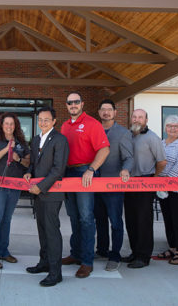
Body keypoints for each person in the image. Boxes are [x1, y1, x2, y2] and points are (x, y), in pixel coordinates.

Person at [60, 92, 110, 279]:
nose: (73, 105)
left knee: (86, 218)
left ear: (82, 103)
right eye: (70, 103)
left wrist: (91, 169)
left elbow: (104, 149)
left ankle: (87, 261)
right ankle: (76, 254)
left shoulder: (92, 124)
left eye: (76, 102)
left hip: (84, 173)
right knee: (73, 217)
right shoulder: (64, 126)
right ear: (67, 106)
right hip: (68, 174)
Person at [24, 106, 69, 287]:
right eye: (40, 119)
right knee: (42, 230)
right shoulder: (35, 140)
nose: (42, 122)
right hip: (38, 193)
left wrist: (41, 187)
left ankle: (55, 272)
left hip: (52, 193)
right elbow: (34, 163)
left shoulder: (60, 140)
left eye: (46, 120)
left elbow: (58, 169)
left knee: (51, 232)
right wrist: (28, 172)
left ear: (54, 121)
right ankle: (43, 263)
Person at [0, 112, 31, 269]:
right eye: (6, 124)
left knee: (7, 219)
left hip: (14, 185)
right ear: (1, 125)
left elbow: (27, 162)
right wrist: (7, 149)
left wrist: (19, 158)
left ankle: (3, 251)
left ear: (15, 125)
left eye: (12, 124)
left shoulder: (22, 142)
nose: (9, 126)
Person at [122, 108, 166, 269]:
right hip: (128, 182)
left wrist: (154, 179)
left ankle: (143, 256)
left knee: (143, 221)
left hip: (145, 181)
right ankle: (135, 252)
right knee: (131, 220)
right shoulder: (127, 136)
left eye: (140, 117)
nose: (137, 119)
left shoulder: (152, 138)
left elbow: (162, 162)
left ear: (146, 120)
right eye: (134, 116)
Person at [94, 99, 133, 271]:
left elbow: (129, 157)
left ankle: (114, 255)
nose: (106, 113)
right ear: (99, 112)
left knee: (115, 221)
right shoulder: (93, 130)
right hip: (94, 183)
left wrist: (125, 170)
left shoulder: (123, 133)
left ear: (115, 112)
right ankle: (101, 250)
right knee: (99, 220)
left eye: (109, 110)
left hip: (113, 185)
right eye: (103, 110)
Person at [157, 114, 178, 266]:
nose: (172, 129)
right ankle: (171, 247)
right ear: (165, 128)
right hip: (161, 188)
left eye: (176, 126)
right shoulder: (161, 143)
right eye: (170, 126)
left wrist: (165, 185)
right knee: (168, 219)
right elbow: (156, 161)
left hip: (177, 190)